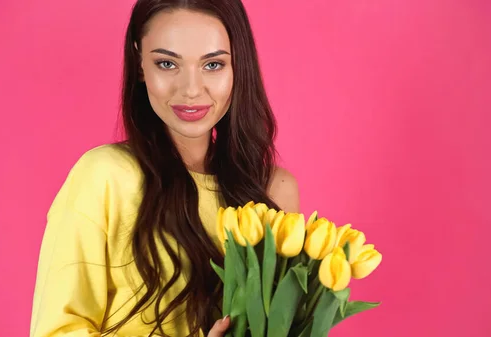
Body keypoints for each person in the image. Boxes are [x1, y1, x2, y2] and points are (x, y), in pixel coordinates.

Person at [29, 0, 300, 336]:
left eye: (213, 65)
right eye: (167, 63)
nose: (190, 90)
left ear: (238, 66)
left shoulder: (273, 191)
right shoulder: (104, 177)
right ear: (139, 63)